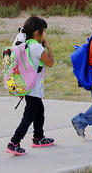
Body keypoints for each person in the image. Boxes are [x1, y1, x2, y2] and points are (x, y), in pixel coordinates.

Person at [6, 16, 56, 156]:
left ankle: (38, 137)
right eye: (44, 32)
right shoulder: (36, 47)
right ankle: (14, 142)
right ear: (36, 33)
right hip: (33, 89)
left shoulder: (25, 44)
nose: (45, 35)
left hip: (29, 87)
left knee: (39, 112)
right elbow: (50, 62)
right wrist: (49, 48)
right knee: (28, 117)